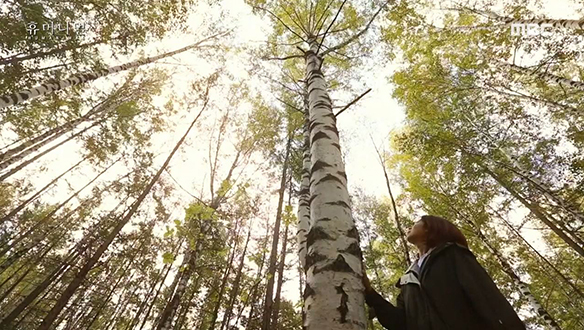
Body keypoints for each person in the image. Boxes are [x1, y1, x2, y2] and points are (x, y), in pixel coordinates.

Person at [362, 215, 526, 330]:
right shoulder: (407, 278)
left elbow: (488, 299)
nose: (410, 226)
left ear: (430, 228)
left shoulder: (453, 255)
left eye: (417, 222)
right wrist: (370, 294)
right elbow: (401, 322)